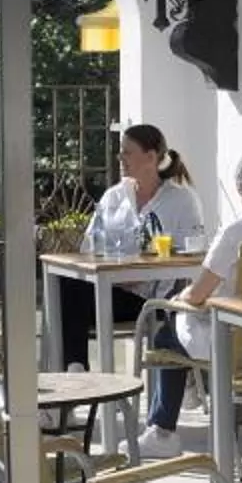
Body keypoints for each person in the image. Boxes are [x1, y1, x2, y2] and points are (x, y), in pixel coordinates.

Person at [134, 146, 242, 459]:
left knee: (167, 332)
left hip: (233, 343)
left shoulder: (234, 233)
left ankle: (163, 431)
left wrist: (179, 298)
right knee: (188, 329)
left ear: (240, 188)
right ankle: (201, 398)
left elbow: (199, 294)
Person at [66, 124, 205, 371]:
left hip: (154, 299)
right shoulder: (114, 197)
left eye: (127, 152)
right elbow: (89, 245)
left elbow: (194, 252)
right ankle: (74, 370)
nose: (120, 158)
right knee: (64, 287)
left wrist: (145, 267)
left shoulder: (181, 200)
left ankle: (75, 374)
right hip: (110, 290)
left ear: (151, 157)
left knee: (68, 300)